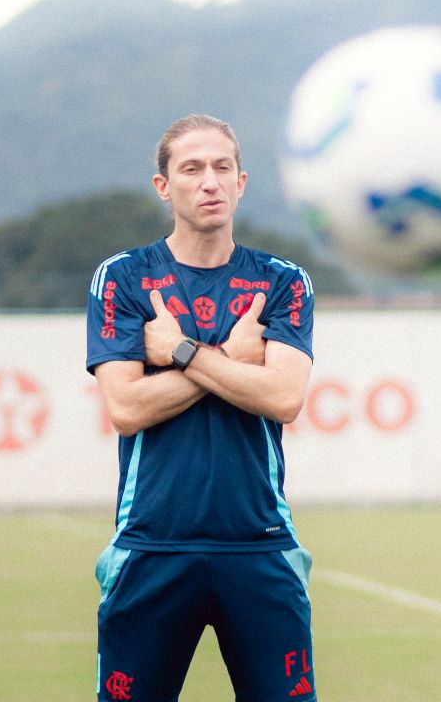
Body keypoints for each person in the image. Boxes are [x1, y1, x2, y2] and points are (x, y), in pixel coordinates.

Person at [86, 114, 318, 702]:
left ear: (242, 181)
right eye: (191, 168)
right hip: (151, 544)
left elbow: (284, 398)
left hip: (260, 543)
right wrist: (231, 362)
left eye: (222, 168)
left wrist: (182, 353)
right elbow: (127, 406)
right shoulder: (123, 279)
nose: (209, 181)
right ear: (164, 186)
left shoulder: (282, 282)